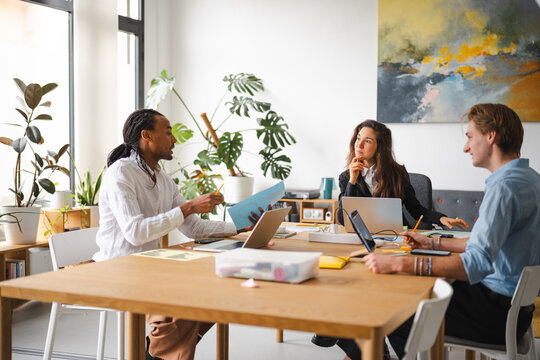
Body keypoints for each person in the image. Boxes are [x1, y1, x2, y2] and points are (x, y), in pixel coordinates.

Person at [340, 104, 540, 359]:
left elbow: (475, 264)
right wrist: (431, 243)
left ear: (491, 136)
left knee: (391, 305)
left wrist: (400, 264)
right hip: (513, 309)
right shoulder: (529, 179)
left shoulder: (504, 188)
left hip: (493, 313)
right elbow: (483, 244)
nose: (465, 147)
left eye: (469, 137)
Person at [93, 108, 261, 360]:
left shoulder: (162, 179)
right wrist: (189, 206)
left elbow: (193, 228)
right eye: (169, 132)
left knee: (213, 286)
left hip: (149, 265)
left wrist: (239, 227)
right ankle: (163, 347)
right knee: (189, 296)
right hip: (119, 268)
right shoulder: (121, 173)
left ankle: (161, 348)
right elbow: (135, 233)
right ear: (146, 135)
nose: (175, 140)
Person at [336, 119, 468, 230]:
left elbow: (416, 210)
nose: (359, 144)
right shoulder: (346, 177)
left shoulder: (397, 174)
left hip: (396, 238)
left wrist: (441, 218)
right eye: (358, 138)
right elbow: (343, 219)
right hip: (362, 238)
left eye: (368, 141)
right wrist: (352, 181)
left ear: (380, 147)